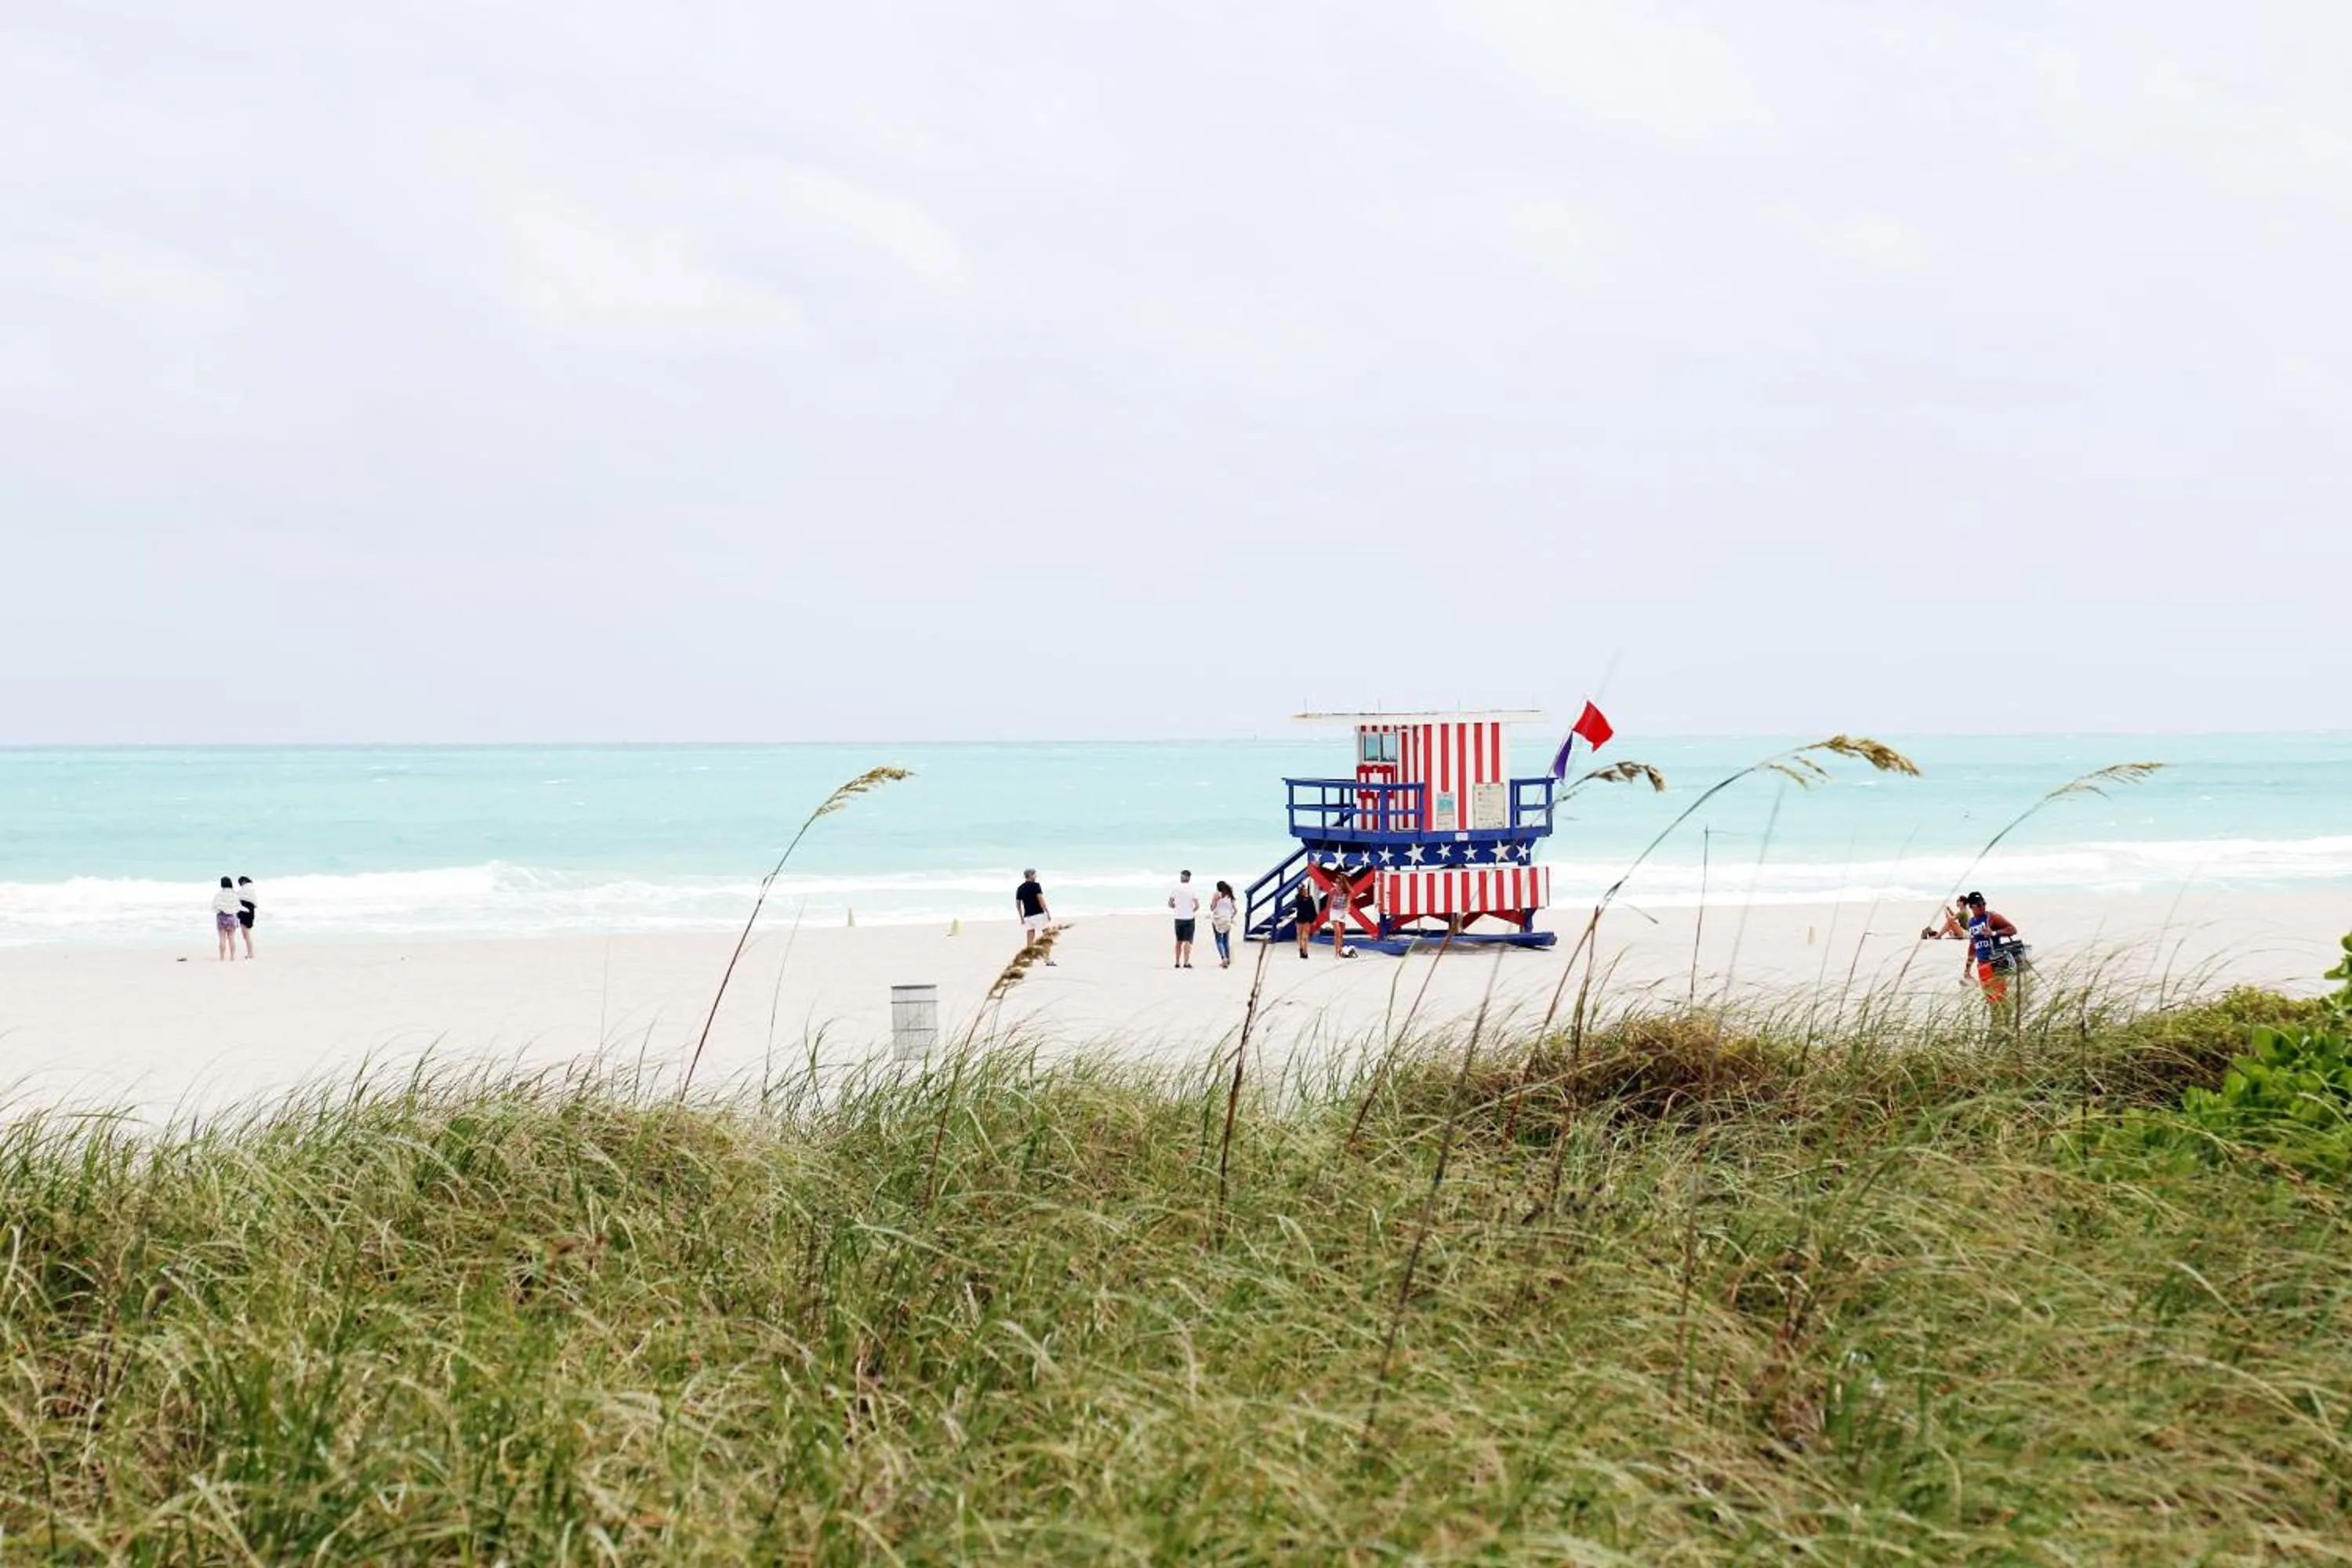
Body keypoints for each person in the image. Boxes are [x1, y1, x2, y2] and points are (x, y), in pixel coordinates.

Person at [1955, 891, 2023, 1006]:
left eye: (1984, 903)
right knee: (1990, 1000)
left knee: (2000, 1000)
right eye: (1979, 905)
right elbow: (1973, 946)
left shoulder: (1992, 917)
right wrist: (1968, 968)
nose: (1983, 906)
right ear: (1971, 906)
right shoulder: (1971, 922)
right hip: (1982, 966)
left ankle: (2003, 1021)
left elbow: (2012, 929)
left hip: (1996, 963)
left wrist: (1994, 933)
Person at [1014, 869, 1054, 964]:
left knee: (1030, 936)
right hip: (1038, 914)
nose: (1036, 876)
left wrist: (1021, 918)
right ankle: (1047, 959)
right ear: (1030, 875)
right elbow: (1041, 900)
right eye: (1034, 875)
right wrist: (1047, 912)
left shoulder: (1020, 888)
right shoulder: (1036, 886)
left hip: (1027, 917)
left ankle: (1029, 959)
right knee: (1046, 935)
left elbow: (1018, 905)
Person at [1168, 869, 1200, 969]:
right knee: (1188, 941)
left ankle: (1177, 962)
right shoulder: (1192, 889)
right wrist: (1191, 910)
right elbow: (1197, 905)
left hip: (1178, 918)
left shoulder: (1175, 888)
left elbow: (1170, 904)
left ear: (1182, 877)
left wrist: (1177, 907)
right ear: (1189, 878)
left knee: (1179, 941)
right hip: (1189, 918)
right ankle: (1186, 962)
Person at [1326, 862, 1358, 958]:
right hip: (1334, 912)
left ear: (1342, 883)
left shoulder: (1347, 891)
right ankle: (1336, 952)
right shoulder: (1332, 891)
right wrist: (1328, 915)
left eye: (1339, 882)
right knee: (1337, 932)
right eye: (1336, 882)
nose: (1337, 884)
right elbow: (1328, 903)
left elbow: (1348, 902)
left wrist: (1346, 911)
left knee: (1341, 934)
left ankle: (1340, 951)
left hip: (1342, 912)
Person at [211, 876, 241, 960]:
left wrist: (222, 909)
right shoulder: (234, 894)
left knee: (222, 938)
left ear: (222, 884)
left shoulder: (219, 894)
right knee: (232, 938)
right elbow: (238, 907)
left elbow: (214, 907)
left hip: (222, 918)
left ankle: (222, 957)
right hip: (232, 918)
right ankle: (232, 957)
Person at [1208, 880, 1238, 968]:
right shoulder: (1230, 896)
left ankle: (1224, 958)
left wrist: (1214, 902)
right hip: (1227, 920)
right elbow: (1236, 910)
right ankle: (1228, 960)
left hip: (1218, 919)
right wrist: (1231, 917)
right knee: (1226, 940)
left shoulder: (1216, 895)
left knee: (1219, 940)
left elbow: (1212, 908)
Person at [235, 874, 260, 959]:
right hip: (251, 911)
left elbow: (238, 897)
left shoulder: (244, 889)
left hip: (244, 911)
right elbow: (255, 902)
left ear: (244, 882)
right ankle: (250, 952)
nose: (241, 885)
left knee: (246, 934)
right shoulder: (252, 889)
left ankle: (250, 953)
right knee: (248, 933)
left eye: (240, 883)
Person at [1293, 880, 1318, 959]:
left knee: (1305, 937)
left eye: (1305, 889)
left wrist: (1314, 919)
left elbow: (1313, 909)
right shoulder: (1298, 897)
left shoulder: (1310, 898)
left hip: (1307, 919)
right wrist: (1304, 896)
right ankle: (1301, 949)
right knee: (1299, 935)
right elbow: (1299, 904)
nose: (1305, 890)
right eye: (1303, 889)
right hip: (1300, 918)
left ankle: (1305, 951)